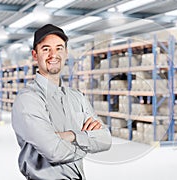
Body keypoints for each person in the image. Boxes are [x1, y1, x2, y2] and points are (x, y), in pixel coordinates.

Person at [12, 24, 112, 180]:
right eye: (46, 49)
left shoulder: (77, 97)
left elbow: (105, 139)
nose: (53, 55)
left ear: (66, 53)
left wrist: (71, 135)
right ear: (35, 54)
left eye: (59, 48)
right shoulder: (28, 99)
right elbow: (54, 151)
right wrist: (87, 140)